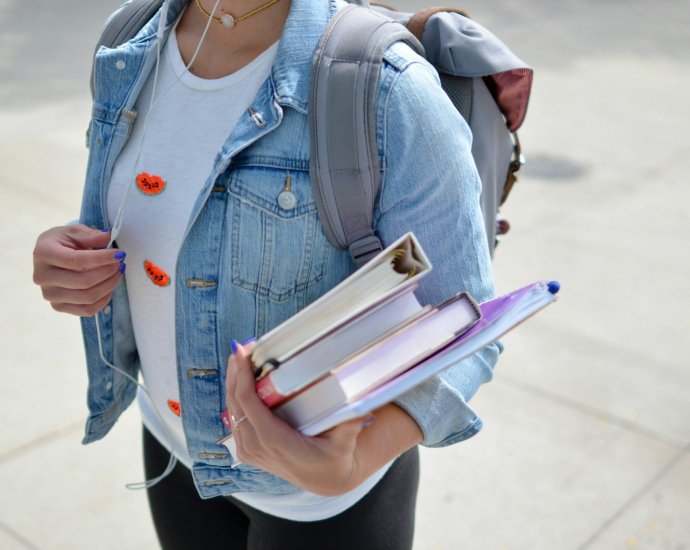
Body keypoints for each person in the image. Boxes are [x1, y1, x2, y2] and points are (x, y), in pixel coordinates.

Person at [32, 0, 501, 547]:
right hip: (172, 445)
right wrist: (72, 255)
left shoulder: (387, 88)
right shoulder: (129, 40)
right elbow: (159, 210)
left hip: (323, 503)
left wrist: (352, 464)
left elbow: (463, 323)